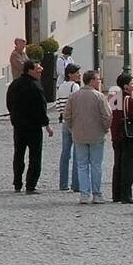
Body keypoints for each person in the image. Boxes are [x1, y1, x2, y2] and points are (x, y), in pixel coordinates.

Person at [5, 59, 53, 193]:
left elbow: (9, 103)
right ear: (30, 70)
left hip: (19, 126)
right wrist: (46, 125)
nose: (41, 70)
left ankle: (17, 183)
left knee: (18, 155)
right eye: (38, 68)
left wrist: (14, 117)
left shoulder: (14, 84)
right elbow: (41, 108)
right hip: (33, 127)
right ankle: (30, 185)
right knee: (35, 156)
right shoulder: (35, 86)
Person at [66, 69, 112, 204]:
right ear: (91, 81)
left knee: (82, 165)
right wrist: (105, 128)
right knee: (96, 165)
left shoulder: (74, 96)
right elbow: (107, 116)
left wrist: (72, 128)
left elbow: (67, 115)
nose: (99, 81)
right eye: (98, 79)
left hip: (79, 135)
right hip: (96, 135)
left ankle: (84, 194)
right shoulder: (99, 96)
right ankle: (97, 194)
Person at [111, 71, 133, 204]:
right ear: (125, 86)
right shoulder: (129, 100)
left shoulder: (114, 98)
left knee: (118, 165)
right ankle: (126, 195)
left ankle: (116, 194)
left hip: (116, 135)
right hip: (128, 135)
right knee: (128, 166)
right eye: (131, 83)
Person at [56, 63, 81, 193]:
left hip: (65, 122)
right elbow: (78, 104)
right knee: (77, 153)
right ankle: (76, 184)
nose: (79, 74)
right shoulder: (74, 86)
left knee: (65, 153)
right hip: (75, 122)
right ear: (70, 74)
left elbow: (58, 105)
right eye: (77, 72)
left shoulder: (61, 87)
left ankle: (63, 183)